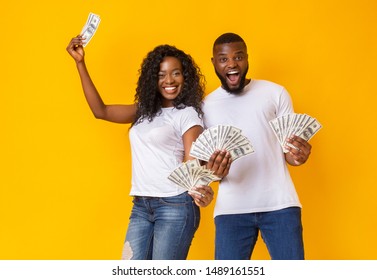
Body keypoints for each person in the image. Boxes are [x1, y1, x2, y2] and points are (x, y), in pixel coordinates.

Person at [66, 35, 229, 260]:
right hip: (141, 205)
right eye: (161, 75)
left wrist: (202, 188)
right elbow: (100, 111)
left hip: (175, 204)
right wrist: (80, 63)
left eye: (175, 73)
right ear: (152, 79)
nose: (169, 80)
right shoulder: (143, 111)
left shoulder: (187, 114)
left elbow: (193, 165)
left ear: (185, 76)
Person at [202, 32, 312, 260]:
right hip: (231, 210)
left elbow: (290, 155)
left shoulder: (275, 93)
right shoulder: (205, 106)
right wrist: (212, 173)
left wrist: (299, 155)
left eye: (238, 57)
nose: (232, 64)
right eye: (223, 59)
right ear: (214, 62)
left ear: (247, 59)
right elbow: (205, 167)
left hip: (280, 204)